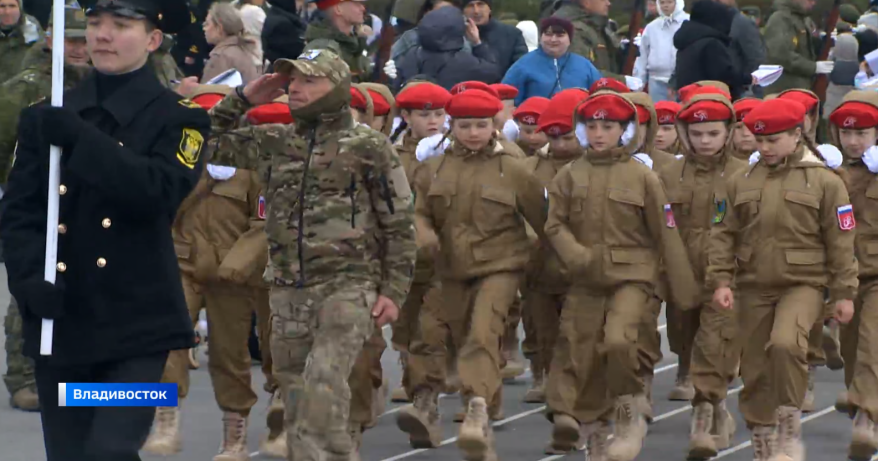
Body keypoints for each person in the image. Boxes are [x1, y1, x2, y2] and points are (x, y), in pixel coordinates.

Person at [0, 0, 210, 459]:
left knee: (109, 451)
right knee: (71, 453)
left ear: (153, 40)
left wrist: (81, 139)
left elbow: (156, 190)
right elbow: (19, 212)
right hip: (63, 323)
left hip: (136, 328)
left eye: (120, 25)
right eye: (95, 23)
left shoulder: (180, 116)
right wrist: (28, 279)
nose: (102, 34)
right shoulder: (47, 113)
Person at [207, 48, 416, 461]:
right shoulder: (274, 141)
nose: (295, 88)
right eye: (293, 80)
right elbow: (199, 142)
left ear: (336, 88)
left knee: (323, 379)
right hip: (286, 287)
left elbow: (399, 220)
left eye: (308, 80)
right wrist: (245, 99)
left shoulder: (368, 146)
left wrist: (394, 289)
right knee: (297, 392)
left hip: (348, 285)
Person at [544, 90, 698, 461]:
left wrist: (684, 291)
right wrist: (575, 255)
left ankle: (628, 410)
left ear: (625, 130)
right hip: (585, 277)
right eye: (592, 126)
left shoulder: (642, 176)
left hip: (633, 276)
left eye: (608, 126)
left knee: (618, 342)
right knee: (579, 348)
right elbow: (554, 225)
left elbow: (666, 232)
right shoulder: (569, 174)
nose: (599, 133)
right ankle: (588, 428)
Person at [398, 89, 547, 461]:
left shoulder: (514, 168)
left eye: (481, 125)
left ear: (494, 124)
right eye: (464, 125)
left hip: (499, 266)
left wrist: (545, 265)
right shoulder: (434, 167)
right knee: (428, 334)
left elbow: (543, 221)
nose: (473, 133)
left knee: (482, 334)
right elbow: (419, 212)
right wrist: (425, 233)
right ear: (453, 125)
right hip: (447, 267)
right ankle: (425, 403)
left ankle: (477, 411)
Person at [707, 97, 857, 461]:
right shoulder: (738, 180)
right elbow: (722, 233)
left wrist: (843, 292)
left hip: (803, 283)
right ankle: (762, 438)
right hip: (753, 284)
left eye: (773, 140)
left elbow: (840, 240)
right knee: (755, 366)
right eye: (759, 140)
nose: (764, 147)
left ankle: (789, 427)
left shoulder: (825, 181)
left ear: (797, 134)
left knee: (786, 345)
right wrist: (721, 280)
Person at [141, 86, 283, 461]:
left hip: (231, 274)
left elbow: (263, 222)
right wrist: (200, 176)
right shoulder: (179, 162)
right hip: (181, 264)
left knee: (229, 354)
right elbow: (160, 205)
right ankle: (165, 419)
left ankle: (233, 433)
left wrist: (238, 264)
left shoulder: (255, 166)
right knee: (167, 341)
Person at [0, 3, 90, 414]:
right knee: (31, 283)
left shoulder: (102, 84)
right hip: (35, 199)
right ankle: (23, 375)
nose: (78, 48)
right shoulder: (27, 87)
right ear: (51, 38)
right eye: (70, 40)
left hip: (86, 200)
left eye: (83, 39)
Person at [657, 90, 747, 458]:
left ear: (728, 132)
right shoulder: (667, 174)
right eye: (697, 133)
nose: (705, 141)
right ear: (684, 132)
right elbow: (658, 226)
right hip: (680, 274)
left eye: (713, 133)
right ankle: (711, 403)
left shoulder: (746, 173)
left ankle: (707, 410)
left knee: (716, 341)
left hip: (728, 276)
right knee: (684, 339)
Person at [520, 88, 587, 411]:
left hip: (584, 272)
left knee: (578, 337)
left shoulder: (595, 168)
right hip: (540, 270)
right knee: (544, 335)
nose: (560, 145)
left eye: (568, 137)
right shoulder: (530, 168)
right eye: (554, 137)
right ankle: (549, 379)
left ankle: (572, 402)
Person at [387, 81, 451, 404]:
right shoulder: (392, 155)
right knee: (405, 322)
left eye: (439, 113)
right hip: (405, 254)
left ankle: (427, 395)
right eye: (425, 115)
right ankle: (410, 372)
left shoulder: (454, 152)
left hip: (445, 252)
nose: (434, 121)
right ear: (406, 116)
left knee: (433, 326)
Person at [827, 91, 878, 460]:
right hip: (845, 277)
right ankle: (860, 399)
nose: (854, 140)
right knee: (849, 347)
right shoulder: (828, 171)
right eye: (847, 133)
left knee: (872, 345)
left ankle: (866, 416)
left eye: (863, 132)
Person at [393, 5, 501, 91]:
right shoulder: (465, 61)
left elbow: (396, 84)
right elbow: (492, 72)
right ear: (458, 29)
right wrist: (477, 43)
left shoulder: (412, 54)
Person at [501, 17, 601, 105]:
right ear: (541, 37)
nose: (553, 39)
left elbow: (599, 96)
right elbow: (505, 99)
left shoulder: (585, 66)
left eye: (560, 35)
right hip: (535, 124)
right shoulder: (522, 65)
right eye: (548, 34)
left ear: (569, 39)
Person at [672, 0, 753, 101]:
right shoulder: (711, 44)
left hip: (688, 98)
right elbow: (724, 74)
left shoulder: (687, 40)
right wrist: (748, 78)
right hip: (710, 100)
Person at [762, 0, 833, 94]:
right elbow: (781, 55)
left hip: (798, 89)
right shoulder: (780, 19)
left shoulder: (801, 19)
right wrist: (813, 67)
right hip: (784, 90)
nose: (813, 3)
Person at [634, 0, 689, 103]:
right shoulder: (652, 27)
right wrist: (638, 82)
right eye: (662, 2)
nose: (665, 6)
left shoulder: (688, 22)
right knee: (658, 114)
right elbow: (642, 56)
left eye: (669, 2)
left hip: (682, 81)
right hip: (656, 81)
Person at [552, 0, 621, 77]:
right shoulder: (574, 30)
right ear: (586, 2)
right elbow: (579, 73)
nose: (608, 3)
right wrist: (625, 81)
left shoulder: (595, 28)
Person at [304, 0, 370, 81]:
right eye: (357, 4)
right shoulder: (322, 48)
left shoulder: (353, 45)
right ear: (339, 9)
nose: (363, 8)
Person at [201, 2, 263, 84]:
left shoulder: (221, 57)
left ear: (219, 28)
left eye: (207, 24)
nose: (204, 28)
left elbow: (207, 94)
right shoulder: (243, 49)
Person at [461, 0, 527, 74]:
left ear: (489, 8)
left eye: (481, 4)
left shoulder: (512, 34)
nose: (476, 11)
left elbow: (521, 69)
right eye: (470, 6)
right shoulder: (456, 35)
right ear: (463, 11)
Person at [0, 0, 42, 84]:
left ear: (20, 8)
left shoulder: (33, 30)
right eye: (2, 6)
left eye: (12, 6)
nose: (7, 12)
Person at [261, 0, 306, 71]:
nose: (302, 3)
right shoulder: (282, 23)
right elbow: (297, 51)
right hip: (286, 72)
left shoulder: (278, 15)